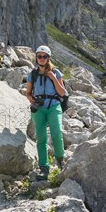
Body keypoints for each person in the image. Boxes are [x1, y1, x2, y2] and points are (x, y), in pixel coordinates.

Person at [26, 45, 66, 180]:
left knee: (57, 133)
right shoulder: (32, 74)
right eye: (39, 56)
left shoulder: (57, 73)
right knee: (41, 138)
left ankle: (61, 160)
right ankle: (44, 168)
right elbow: (28, 93)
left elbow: (62, 92)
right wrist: (31, 100)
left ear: (48, 58)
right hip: (39, 109)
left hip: (54, 106)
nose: (42, 59)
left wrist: (53, 78)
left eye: (44, 57)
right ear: (36, 57)